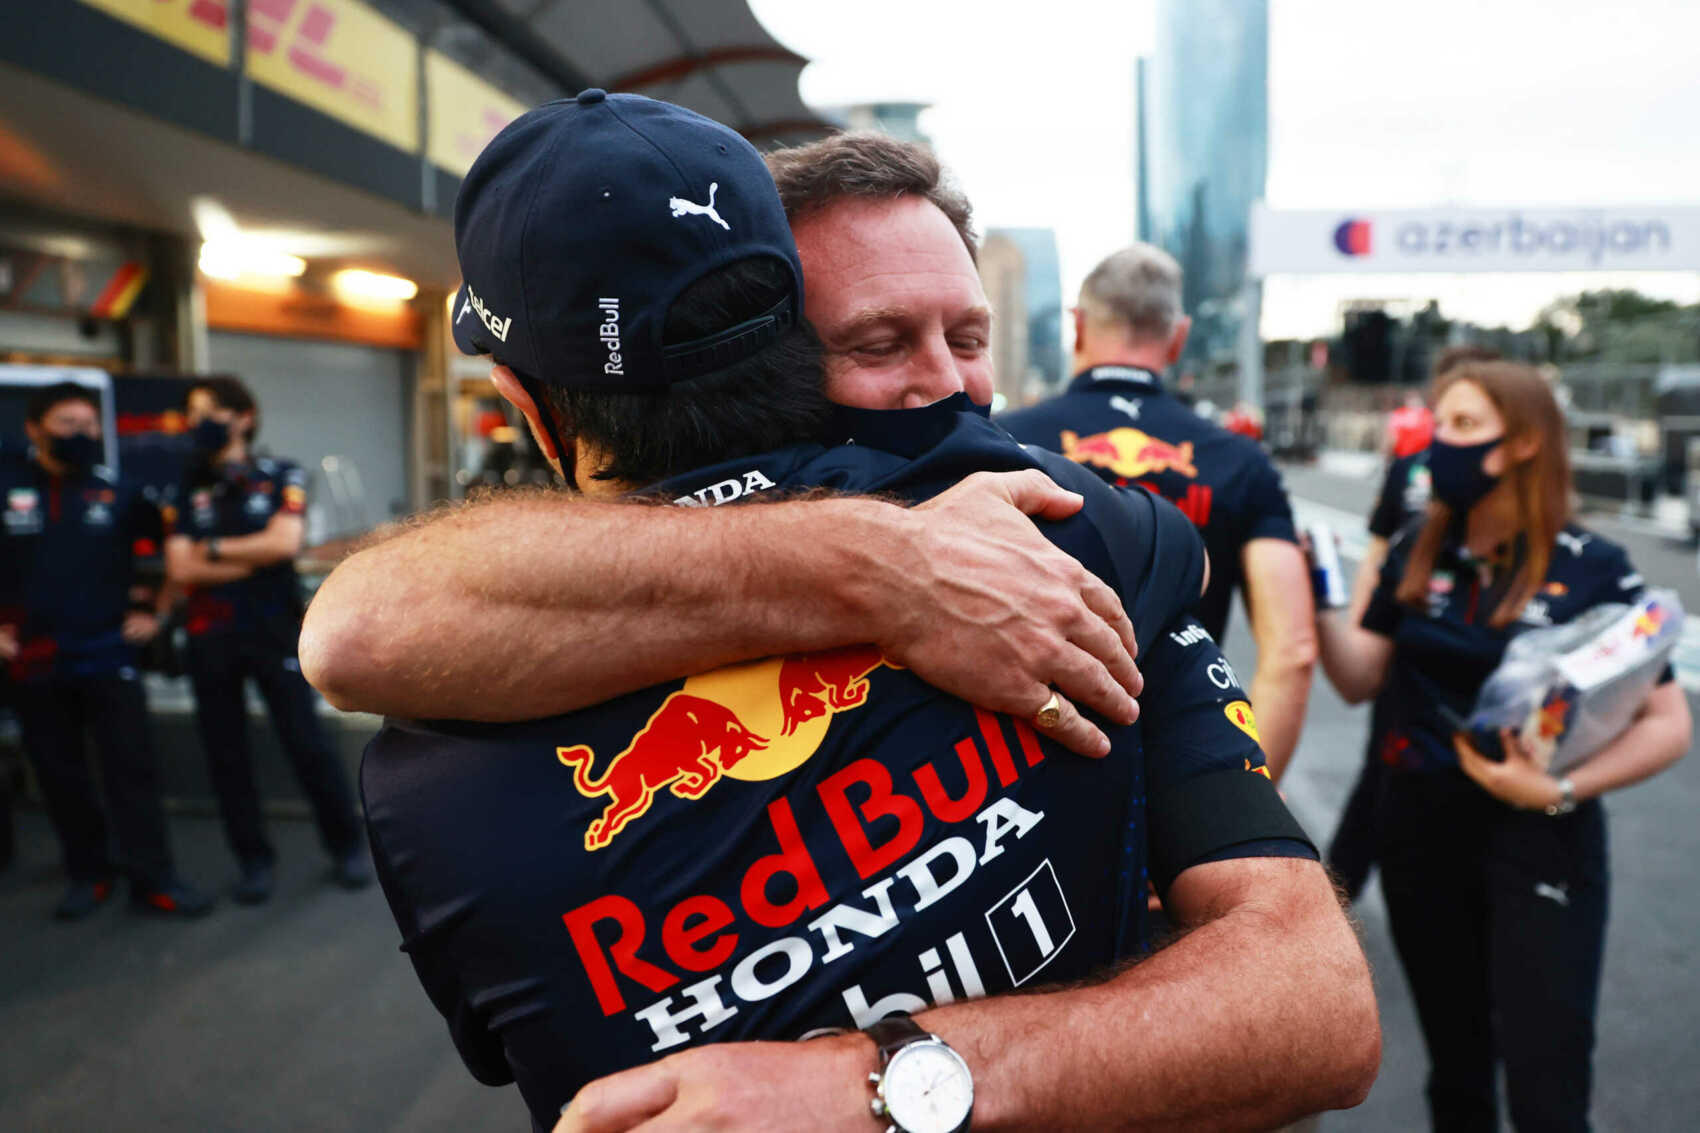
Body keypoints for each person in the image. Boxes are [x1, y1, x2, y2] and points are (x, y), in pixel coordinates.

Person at [320, 106, 1377, 1132]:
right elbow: (355, 625)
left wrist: (876, 1079)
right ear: (782, 346)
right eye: (877, 340)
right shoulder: (1070, 533)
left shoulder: (421, 777)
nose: (944, 383)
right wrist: (883, 559)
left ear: (517, 393)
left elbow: (1313, 1001)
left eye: (967, 334)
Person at [1313, 360, 1690, 1132]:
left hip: (1538, 842)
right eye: (1437, 423)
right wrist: (1316, 596)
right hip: (1420, 838)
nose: (1436, 445)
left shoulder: (1592, 567)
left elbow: (1668, 724)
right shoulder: (1421, 543)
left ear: (1519, 444)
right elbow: (1358, 678)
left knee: (1548, 1096)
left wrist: (1553, 790)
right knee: (1457, 1083)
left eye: (1459, 427)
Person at [998, 245, 1317, 780]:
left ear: (1077, 327)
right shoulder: (1238, 458)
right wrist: (1251, 796)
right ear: (1179, 336)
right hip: (1187, 749)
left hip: (1034, 753)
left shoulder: (1005, 439)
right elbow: (1294, 651)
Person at [0, 382, 213, 919]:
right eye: (69, 424)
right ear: (35, 429)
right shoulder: (7, 488)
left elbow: (162, 559)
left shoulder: (120, 492)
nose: (82, 435)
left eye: (90, 426)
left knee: (132, 774)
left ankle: (154, 879)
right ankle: (88, 874)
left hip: (107, 654)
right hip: (34, 662)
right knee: (59, 775)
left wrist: (155, 612)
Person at [164, 376, 369, 903]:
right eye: (193, 413)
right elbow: (179, 564)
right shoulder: (186, 482)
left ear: (244, 417)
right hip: (210, 638)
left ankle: (346, 846)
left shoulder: (281, 474)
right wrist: (245, 556)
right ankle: (253, 862)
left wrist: (210, 551)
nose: (199, 423)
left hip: (273, 630)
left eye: (210, 412)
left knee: (308, 745)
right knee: (226, 756)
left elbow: (284, 543)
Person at [1328, 345, 1500, 899]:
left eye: (1466, 417)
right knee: (1385, 770)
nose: (1448, 429)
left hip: (1482, 659)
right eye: (1443, 412)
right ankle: (1336, 894)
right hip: (1407, 636)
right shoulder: (1409, 469)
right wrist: (1361, 625)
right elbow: (1378, 551)